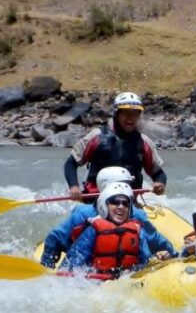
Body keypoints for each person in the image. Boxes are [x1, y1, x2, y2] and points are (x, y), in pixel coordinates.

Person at [40, 166, 175, 268]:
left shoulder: (137, 216)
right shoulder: (83, 215)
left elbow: (157, 242)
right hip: (92, 271)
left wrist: (174, 255)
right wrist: (47, 266)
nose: (130, 189)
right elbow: (56, 239)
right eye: (116, 201)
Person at [63, 92, 167, 200]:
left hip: (127, 203)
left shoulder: (144, 142)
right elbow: (71, 163)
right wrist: (74, 187)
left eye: (135, 114)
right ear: (116, 114)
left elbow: (158, 173)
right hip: (95, 200)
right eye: (126, 113)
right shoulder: (96, 136)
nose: (131, 118)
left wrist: (160, 183)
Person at [61, 182, 171, 278]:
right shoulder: (93, 231)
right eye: (115, 202)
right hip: (97, 282)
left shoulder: (138, 231)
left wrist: (160, 258)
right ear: (105, 205)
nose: (121, 206)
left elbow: (145, 262)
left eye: (125, 203)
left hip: (126, 280)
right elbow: (73, 264)